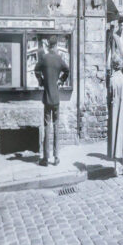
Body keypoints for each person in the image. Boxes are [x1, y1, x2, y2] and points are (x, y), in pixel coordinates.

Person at [34, 37, 69, 167]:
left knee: (46, 127)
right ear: (56, 45)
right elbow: (67, 70)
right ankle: (56, 157)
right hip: (56, 99)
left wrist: (41, 81)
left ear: (49, 45)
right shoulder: (59, 59)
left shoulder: (44, 58)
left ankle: (45, 158)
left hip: (47, 98)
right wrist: (61, 80)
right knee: (56, 127)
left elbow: (36, 70)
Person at [104, 47, 123, 176]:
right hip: (122, 111)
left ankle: (115, 167)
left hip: (114, 111)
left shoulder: (112, 79)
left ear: (113, 65)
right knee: (122, 137)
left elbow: (109, 98)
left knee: (114, 135)